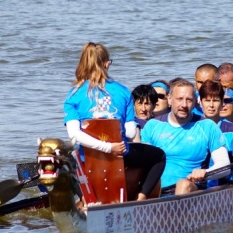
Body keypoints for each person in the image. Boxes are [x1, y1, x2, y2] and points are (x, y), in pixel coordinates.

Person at [63, 42, 166, 201]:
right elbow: (131, 132)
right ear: (106, 64)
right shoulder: (123, 91)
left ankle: (85, 199)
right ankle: (141, 198)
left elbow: (74, 135)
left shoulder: (73, 94)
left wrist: (104, 146)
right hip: (120, 154)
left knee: (65, 161)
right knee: (159, 156)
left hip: (87, 157)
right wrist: (111, 147)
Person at [141, 78, 230, 195]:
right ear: (169, 99)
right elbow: (143, 165)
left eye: (188, 100)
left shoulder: (207, 126)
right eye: (179, 99)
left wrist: (206, 173)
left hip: (191, 188)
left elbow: (225, 166)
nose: (184, 105)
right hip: (157, 189)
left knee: (183, 184)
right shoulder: (152, 126)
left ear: (194, 102)